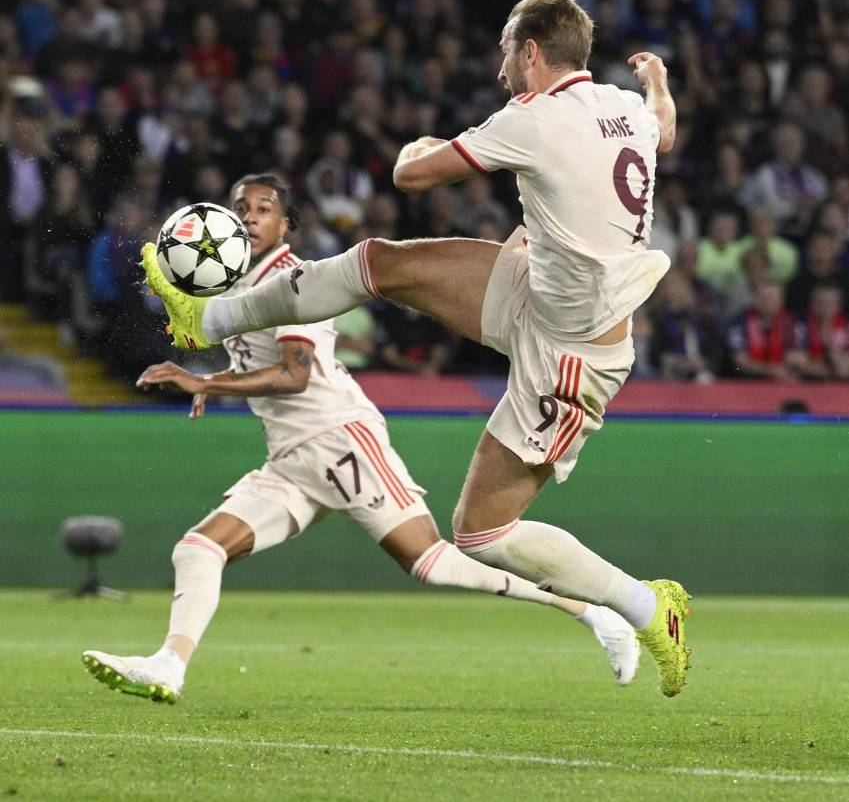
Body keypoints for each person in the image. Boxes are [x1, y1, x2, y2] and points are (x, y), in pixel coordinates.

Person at [141, 0, 692, 697]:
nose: (499, 71)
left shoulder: (533, 117)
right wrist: (657, 83)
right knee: (380, 262)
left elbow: (410, 174)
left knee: (478, 534)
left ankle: (647, 607)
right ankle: (210, 321)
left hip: (572, 353)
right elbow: (664, 131)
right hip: (538, 288)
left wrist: (419, 143)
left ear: (529, 52)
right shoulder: (622, 106)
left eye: (504, 53)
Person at [84, 174, 639, 702]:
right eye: (242, 208)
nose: (250, 218)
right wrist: (217, 381)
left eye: (264, 209)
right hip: (291, 458)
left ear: (286, 226)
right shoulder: (241, 288)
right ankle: (169, 666)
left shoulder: (291, 281)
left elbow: (295, 373)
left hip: (339, 440)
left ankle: (593, 612)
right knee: (198, 549)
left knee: (430, 562)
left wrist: (205, 380)